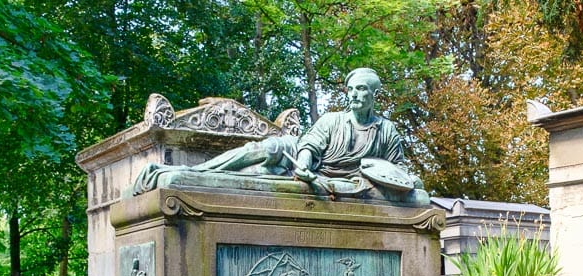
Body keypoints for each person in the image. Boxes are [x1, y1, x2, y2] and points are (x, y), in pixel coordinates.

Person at [126, 67, 421, 197]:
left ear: (374, 95)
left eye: (362, 90)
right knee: (257, 151)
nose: (355, 95)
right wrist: (304, 165)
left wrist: (412, 181)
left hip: (329, 179)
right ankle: (193, 170)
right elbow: (311, 146)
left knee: (250, 177)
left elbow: (397, 171)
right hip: (301, 157)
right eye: (352, 89)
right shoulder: (333, 120)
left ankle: (190, 179)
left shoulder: (387, 131)